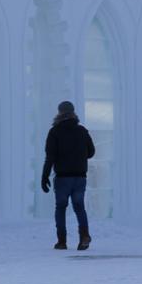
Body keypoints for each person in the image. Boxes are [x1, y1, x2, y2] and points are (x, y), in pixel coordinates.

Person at [40, 100, 95, 250]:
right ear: (73, 112)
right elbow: (91, 152)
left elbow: (50, 156)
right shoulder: (82, 131)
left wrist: (44, 176)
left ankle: (62, 241)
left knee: (60, 208)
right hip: (80, 177)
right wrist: (79, 154)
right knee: (79, 207)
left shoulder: (55, 131)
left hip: (62, 178)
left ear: (59, 113)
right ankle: (84, 236)